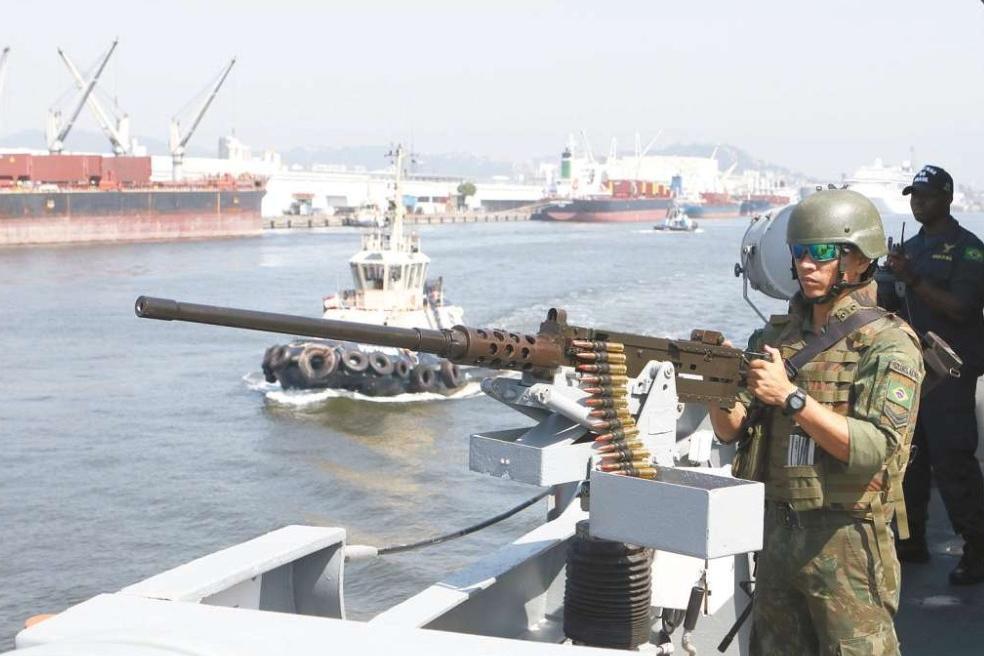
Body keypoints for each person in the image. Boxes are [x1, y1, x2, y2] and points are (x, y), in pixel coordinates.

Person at [709, 189, 924, 655]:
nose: (808, 264)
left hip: (846, 540)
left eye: (823, 252)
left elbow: (875, 447)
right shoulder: (775, 338)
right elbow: (731, 428)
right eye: (800, 252)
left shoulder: (887, 344)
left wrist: (792, 398)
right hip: (778, 534)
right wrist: (713, 383)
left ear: (859, 258)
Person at [880, 165, 984, 585]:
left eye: (924, 195)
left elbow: (961, 308)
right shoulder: (909, 248)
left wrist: (913, 278)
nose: (916, 202)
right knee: (910, 459)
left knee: (953, 460)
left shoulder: (969, 251)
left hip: (952, 372)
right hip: (910, 368)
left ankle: (977, 550)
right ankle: (910, 540)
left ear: (946, 199)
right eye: (912, 195)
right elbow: (890, 301)